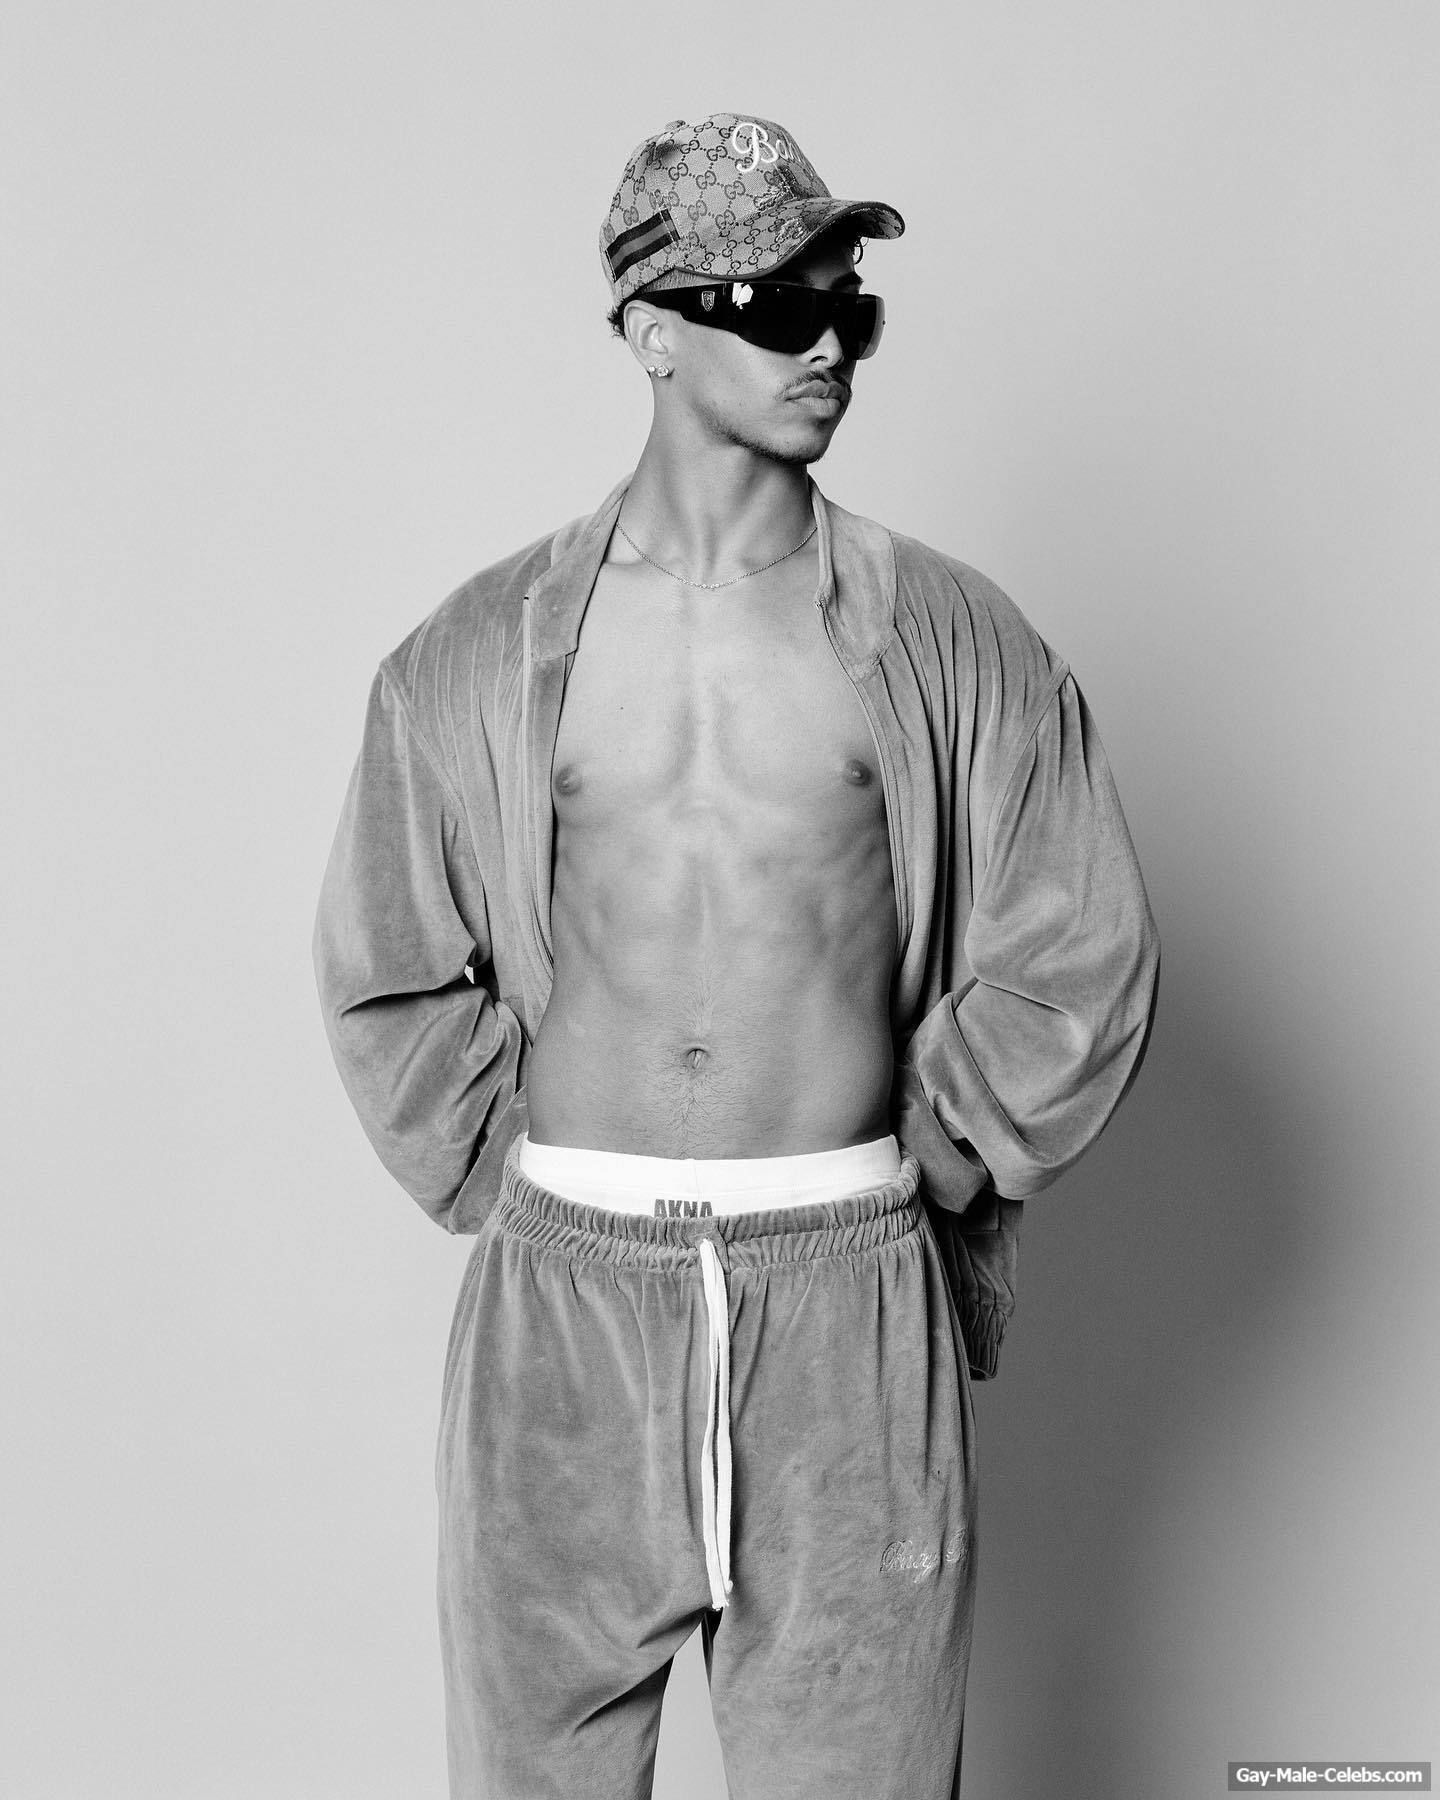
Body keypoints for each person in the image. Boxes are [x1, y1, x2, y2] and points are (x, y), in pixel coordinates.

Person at [313, 111, 1159, 1800]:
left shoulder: (946, 634)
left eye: (850, 305)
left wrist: (944, 1148)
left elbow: (1079, 939)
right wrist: (515, 1170)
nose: (826, 343)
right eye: (777, 305)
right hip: (566, 1310)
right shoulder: (481, 651)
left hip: (845, 1297)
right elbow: (390, 961)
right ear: (652, 331)